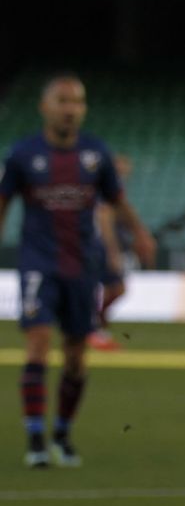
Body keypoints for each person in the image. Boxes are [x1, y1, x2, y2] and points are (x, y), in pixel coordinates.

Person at [0, 75, 155, 468]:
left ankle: (62, 435)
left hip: (82, 267)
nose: (71, 109)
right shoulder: (22, 155)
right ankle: (36, 439)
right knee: (36, 344)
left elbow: (116, 200)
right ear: (45, 107)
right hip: (39, 264)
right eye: (63, 101)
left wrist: (139, 232)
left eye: (78, 102)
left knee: (75, 358)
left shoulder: (96, 154)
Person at [89, 152, 136, 351]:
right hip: (96, 245)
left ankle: (96, 327)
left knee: (112, 290)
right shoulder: (105, 191)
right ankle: (93, 330)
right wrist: (112, 251)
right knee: (114, 288)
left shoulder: (112, 191)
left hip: (95, 244)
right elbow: (104, 217)